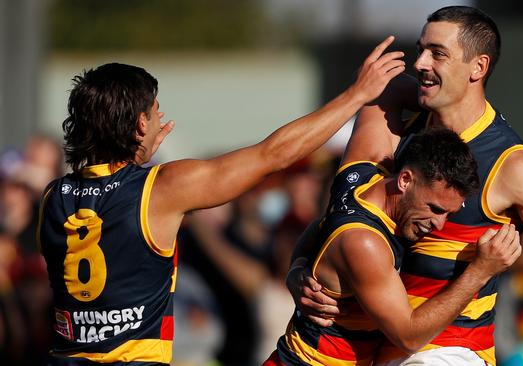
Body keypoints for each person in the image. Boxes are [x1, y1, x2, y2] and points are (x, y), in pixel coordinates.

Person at [37, 36, 405, 365]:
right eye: (153, 112)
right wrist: (356, 94)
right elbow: (273, 155)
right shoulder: (163, 187)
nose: (160, 116)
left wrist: (135, 156)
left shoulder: (52, 197)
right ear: (140, 125)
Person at [289, 6, 523, 366]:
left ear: (478, 68)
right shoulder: (400, 129)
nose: (421, 63)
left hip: (452, 351)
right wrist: (300, 270)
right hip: (380, 349)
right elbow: (338, 216)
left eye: (438, 54)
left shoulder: (513, 167)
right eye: (422, 49)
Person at [265, 128, 521, 366]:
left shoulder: (360, 179)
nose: (439, 225)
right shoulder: (365, 243)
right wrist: (480, 272)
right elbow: (408, 337)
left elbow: (320, 226)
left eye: (448, 214)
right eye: (434, 209)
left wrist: (297, 267)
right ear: (405, 180)